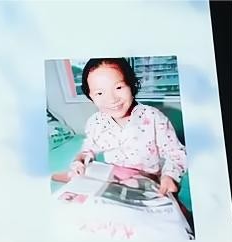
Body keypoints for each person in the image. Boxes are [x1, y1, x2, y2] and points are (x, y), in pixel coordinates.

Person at [70, 58, 187, 196]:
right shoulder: (95, 122)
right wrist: (80, 160)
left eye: (119, 88)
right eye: (100, 93)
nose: (112, 99)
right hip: (114, 182)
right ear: (90, 96)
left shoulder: (153, 117)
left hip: (152, 183)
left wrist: (170, 176)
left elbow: (177, 154)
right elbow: (88, 149)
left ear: (131, 84)